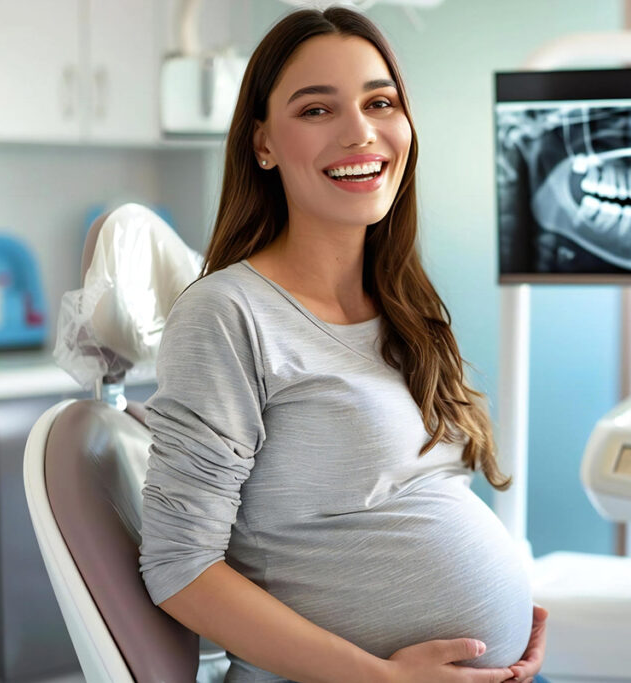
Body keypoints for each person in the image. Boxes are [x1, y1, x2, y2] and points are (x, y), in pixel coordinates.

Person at [139, 6, 549, 682]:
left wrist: (500, 614)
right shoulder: (227, 314)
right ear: (262, 143)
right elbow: (180, 570)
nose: (361, 132)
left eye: (379, 101)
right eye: (317, 110)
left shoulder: (403, 308)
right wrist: (384, 676)